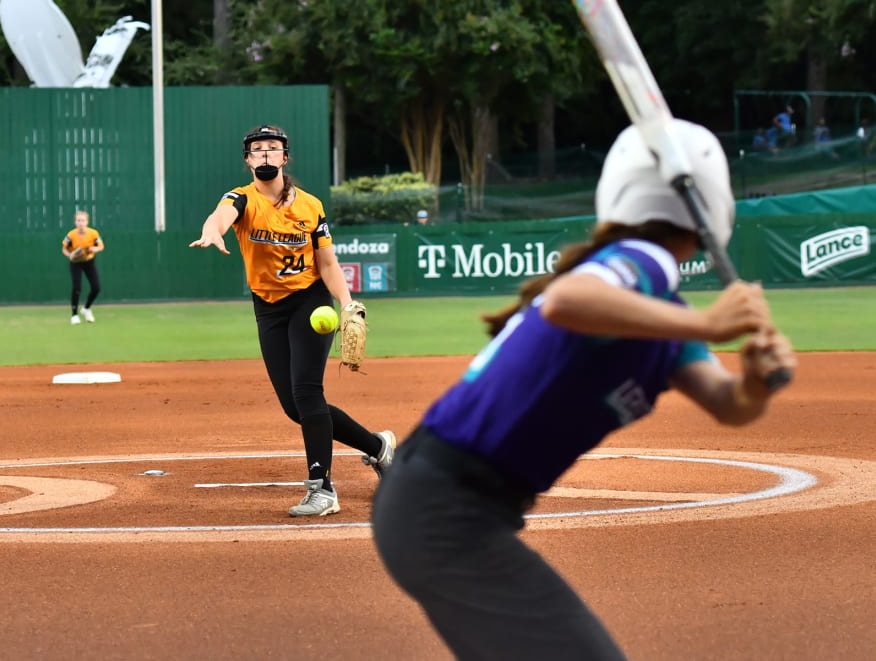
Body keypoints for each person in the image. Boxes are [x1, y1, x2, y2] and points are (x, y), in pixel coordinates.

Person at [371, 120, 796, 660]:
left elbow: (728, 404)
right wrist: (710, 326)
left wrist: (755, 384)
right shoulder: (641, 265)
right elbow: (569, 301)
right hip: (445, 510)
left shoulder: (662, 309)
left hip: (443, 508)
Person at [189, 123, 396, 517]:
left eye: (273, 148)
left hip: (311, 302)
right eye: (257, 149)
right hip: (267, 307)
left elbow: (328, 263)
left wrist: (349, 303)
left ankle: (322, 489)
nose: (265, 154)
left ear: (285, 157)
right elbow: (220, 215)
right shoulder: (242, 199)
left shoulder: (310, 206)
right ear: (248, 160)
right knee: (294, 406)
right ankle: (378, 447)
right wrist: (211, 231)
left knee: (306, 392)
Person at [61, 210, 104, 324]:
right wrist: (70, 255)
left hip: (89, 261)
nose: (81, 223)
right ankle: (74, 315)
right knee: (77, 288)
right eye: (78, 220)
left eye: (83, 220)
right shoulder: (71, 235)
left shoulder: (93, 233)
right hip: (76, 263)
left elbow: (101, 245)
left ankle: (86, 309)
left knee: (96, 288)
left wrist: (96, 249)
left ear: (87, 222)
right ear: (75, 222)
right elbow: (64, 248)